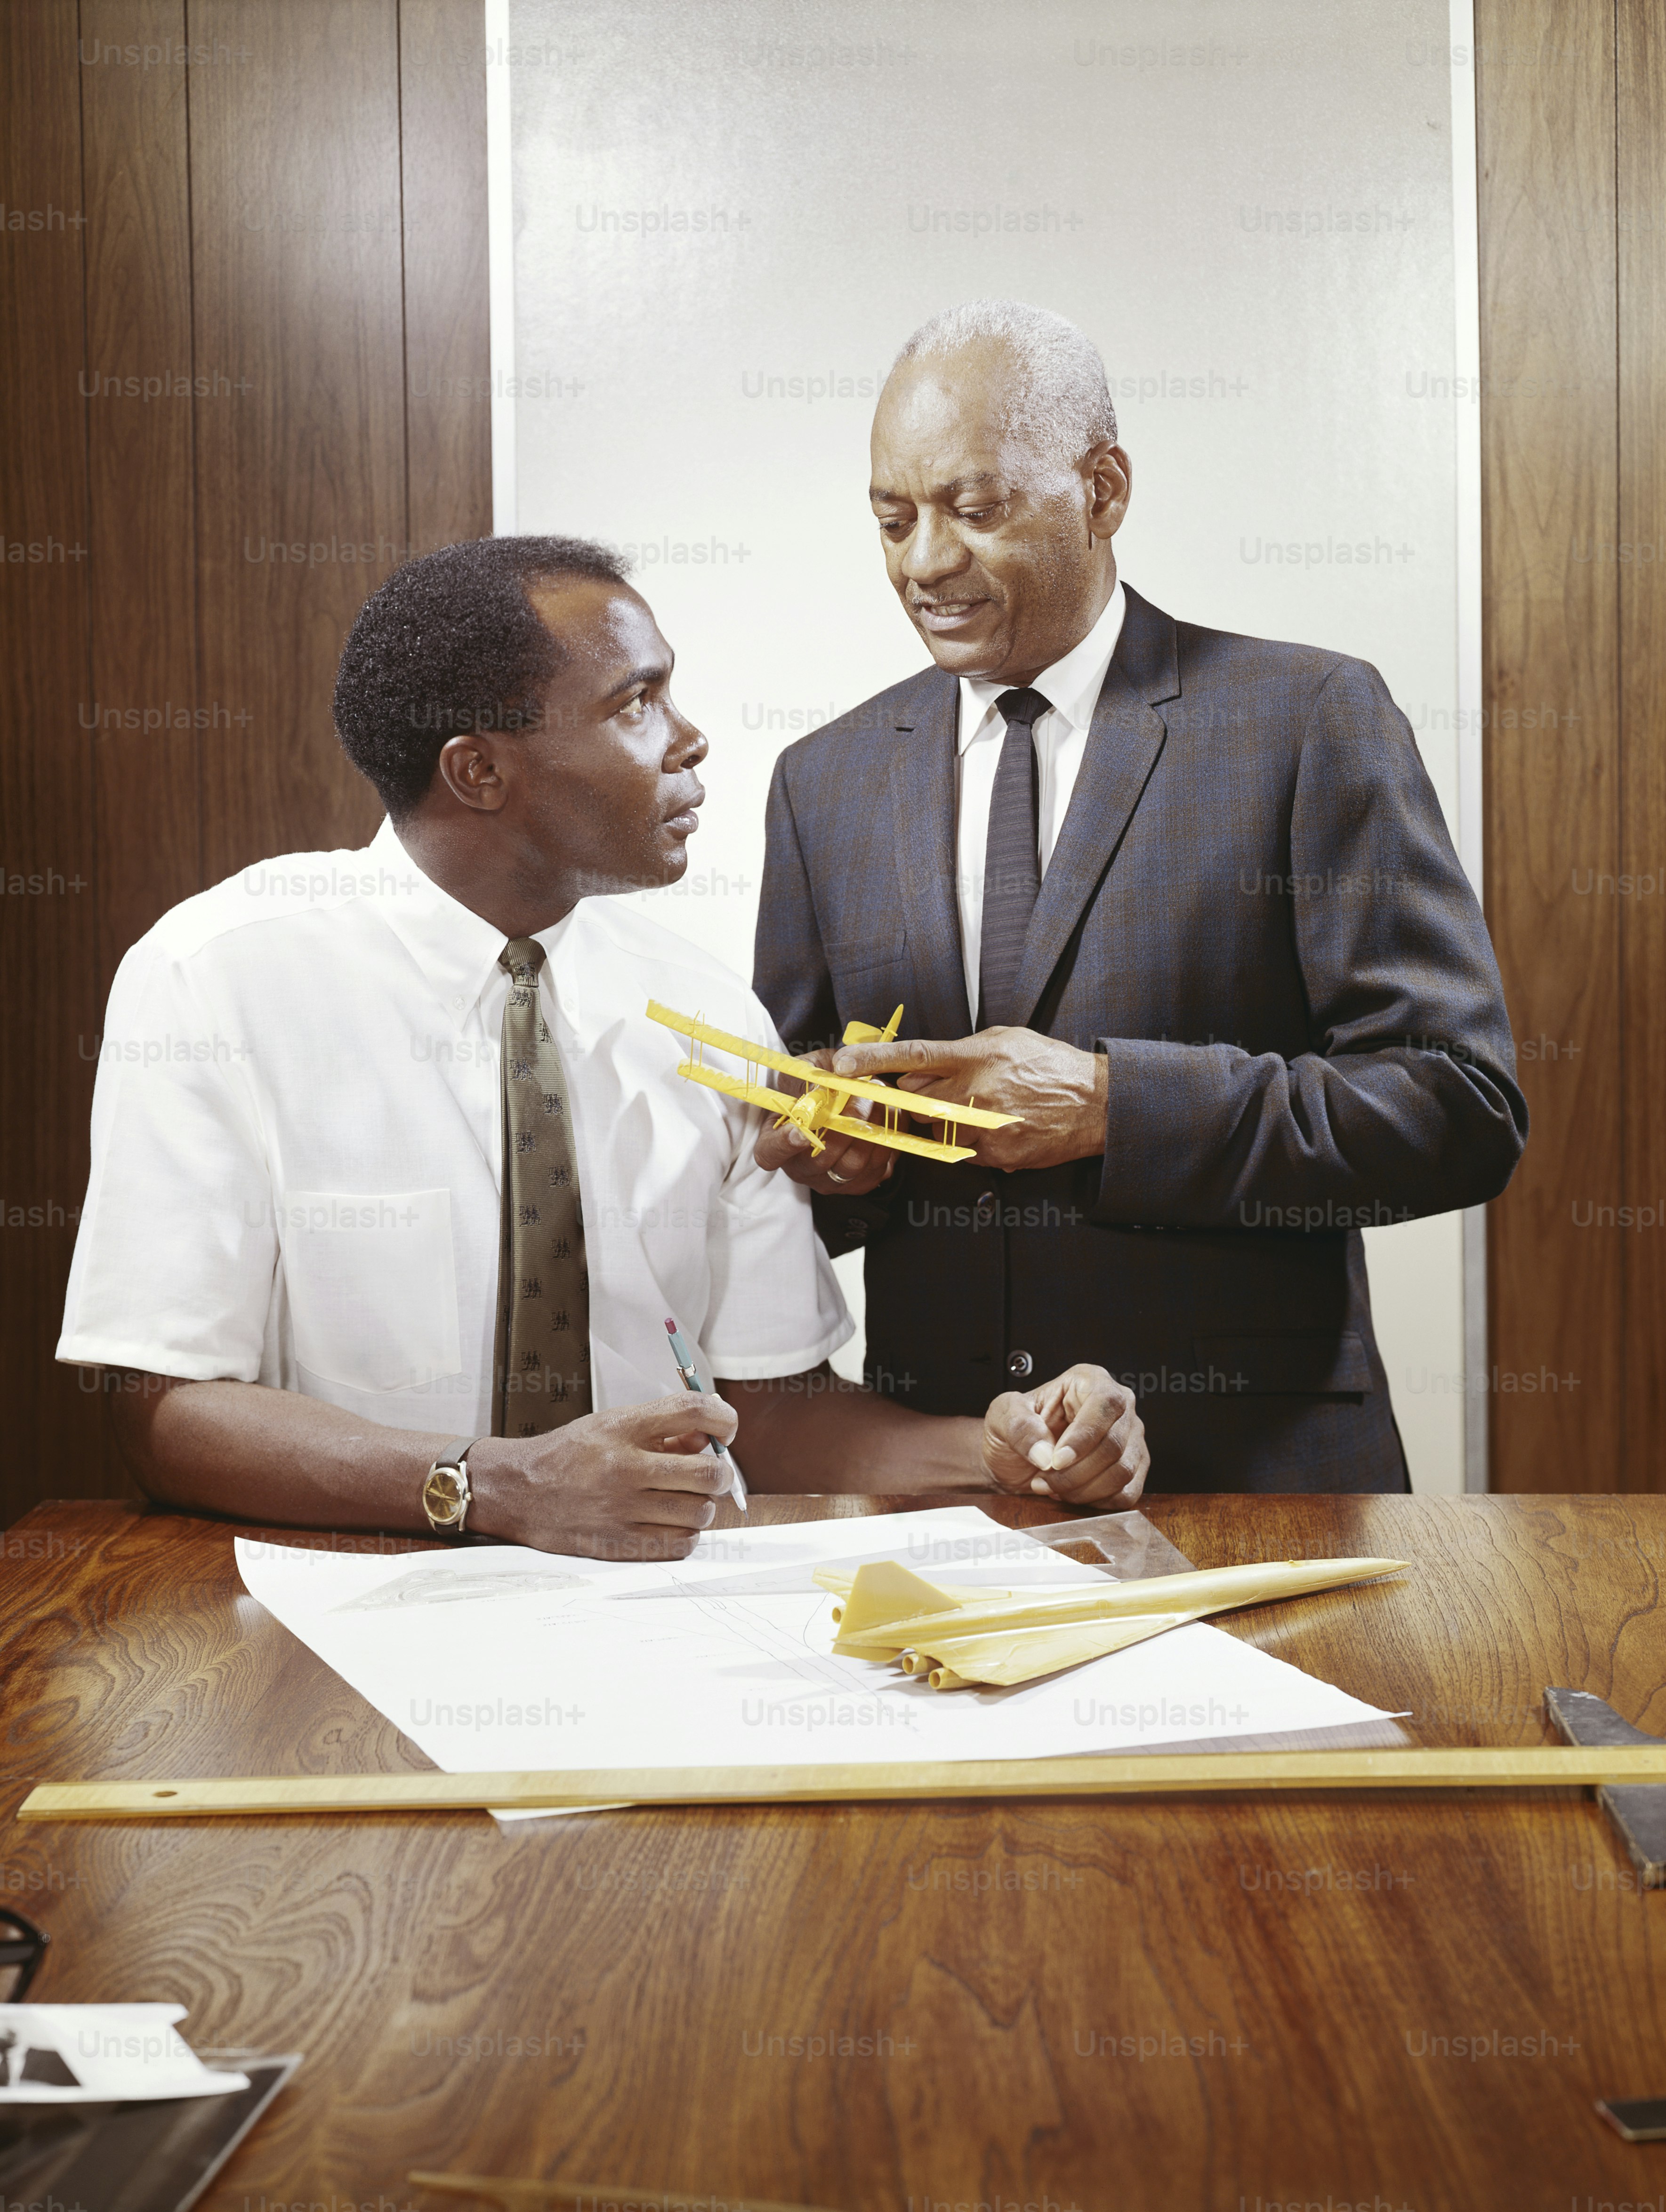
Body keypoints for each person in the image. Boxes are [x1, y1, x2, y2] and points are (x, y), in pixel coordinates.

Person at [56, 536, 1147, 1557]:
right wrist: (499, 1486)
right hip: (362, 1604)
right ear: (479, 772)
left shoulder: (709, 1015)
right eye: (636, 702)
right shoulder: (216, 978)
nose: (690, 738)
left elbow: (769, 1414)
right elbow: (163, 1412)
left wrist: (1003, 1449)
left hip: (667, 1611)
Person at [752, 301, 1527, 1494]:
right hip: (954, 1489)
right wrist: (839, 1168)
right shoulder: (823, 782)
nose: (924, 563)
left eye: (973, 509)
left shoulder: (1306, 720)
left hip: (1258, 1489)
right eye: (893, 520)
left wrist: (1115, 1106)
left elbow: (1457, 1107)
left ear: (1102, 489)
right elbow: (796, 1167)